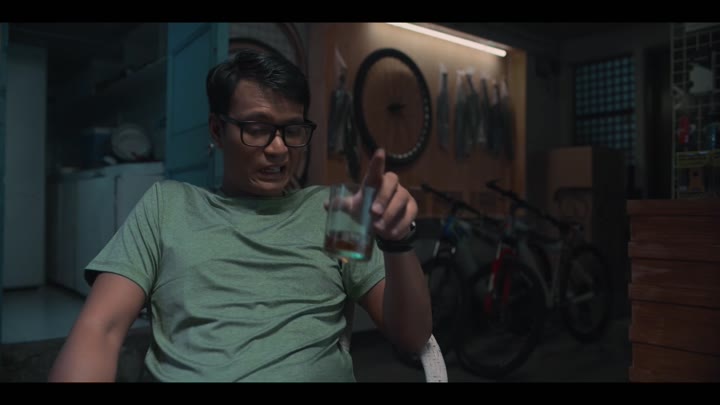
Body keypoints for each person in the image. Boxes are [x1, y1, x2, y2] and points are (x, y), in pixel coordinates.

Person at [48, 49, 432, 382]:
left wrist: (397, 242)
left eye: (292, 130)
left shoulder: (335, 210)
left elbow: (412, 338)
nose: (279, 148)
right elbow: (101, 329)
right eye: (258, 129)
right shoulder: (167, 206)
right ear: (218, 130)